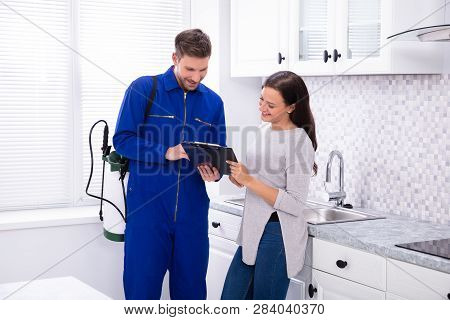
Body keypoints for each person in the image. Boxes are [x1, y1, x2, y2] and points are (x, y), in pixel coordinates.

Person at [113, 29, 226, 300]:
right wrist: (166, 151)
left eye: (203, 70)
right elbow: (123, 140)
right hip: (148, 214)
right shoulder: (143, 89)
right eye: (189, 68)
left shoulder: (213, 102)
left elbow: (218, 154)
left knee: (191, 299)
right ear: (175, 57)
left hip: (193, 216)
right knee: (141, 298)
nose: (195, 77)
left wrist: (215, 173)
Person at [221, 71, 317, 300]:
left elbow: (294, 203)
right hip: (252, 227)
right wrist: (236, 175)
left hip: (278, 232)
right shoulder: (264, 129)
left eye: (270, 104)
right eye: (261, 99)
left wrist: (250, 180)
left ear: (291, 107)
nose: (262, 107)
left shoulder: (299, 142)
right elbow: (258, 180)